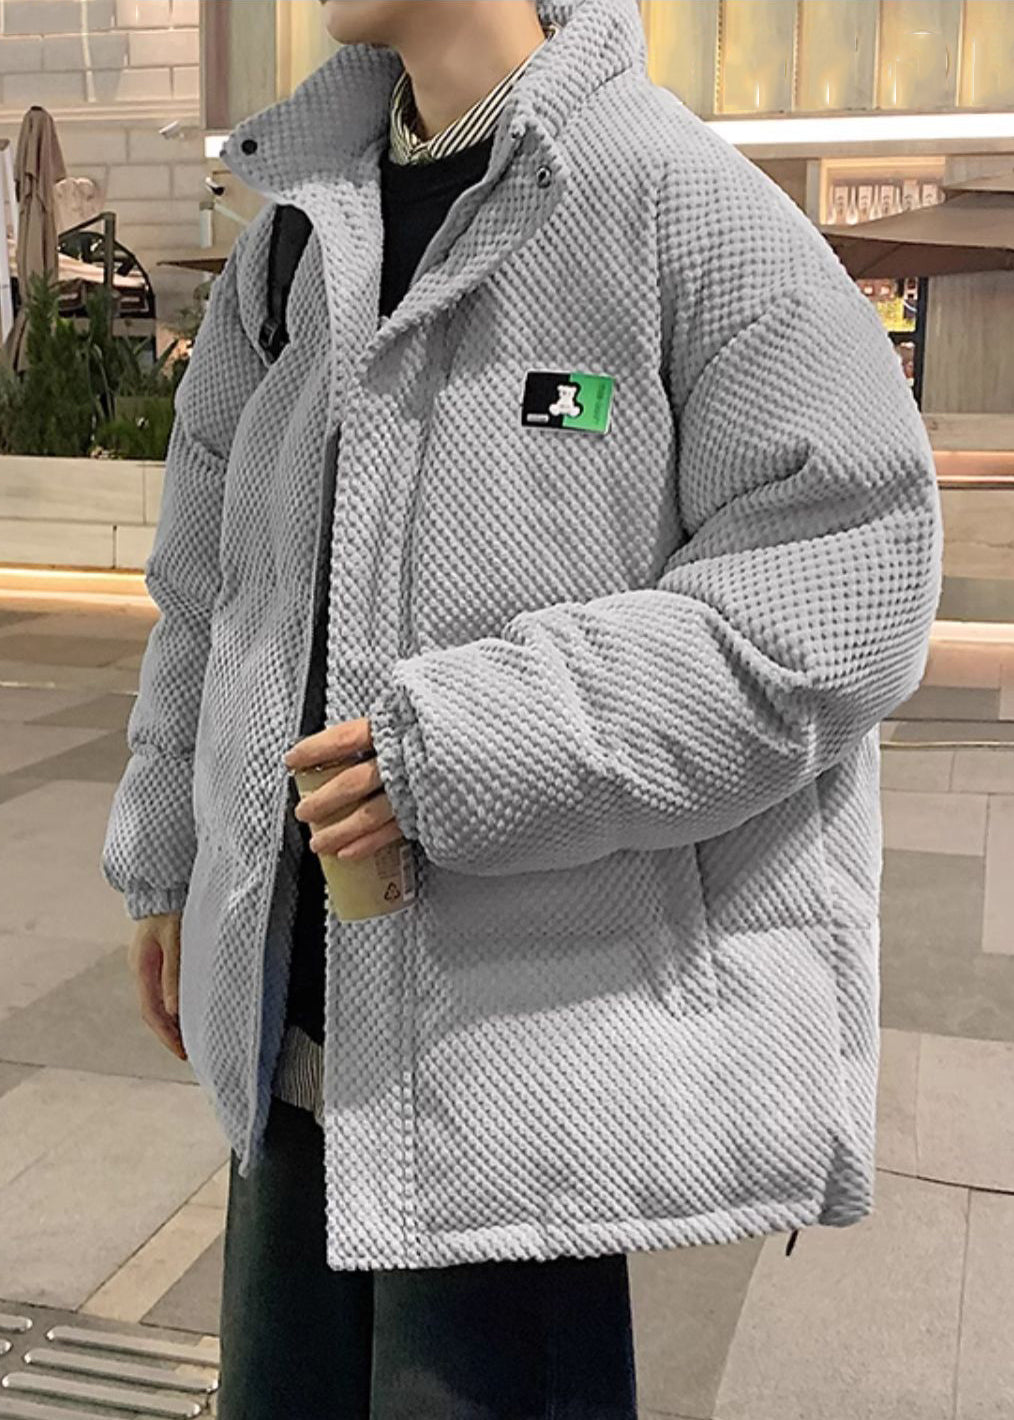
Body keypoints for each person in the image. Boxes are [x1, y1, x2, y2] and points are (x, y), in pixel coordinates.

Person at [101, 0, 943, 1415]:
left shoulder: (682, 209)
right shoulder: (292, 239)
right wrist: (167, 853)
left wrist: (459, 751)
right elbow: (208, 584)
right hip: (290, 1047)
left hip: (523, 1069)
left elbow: (842, 586)